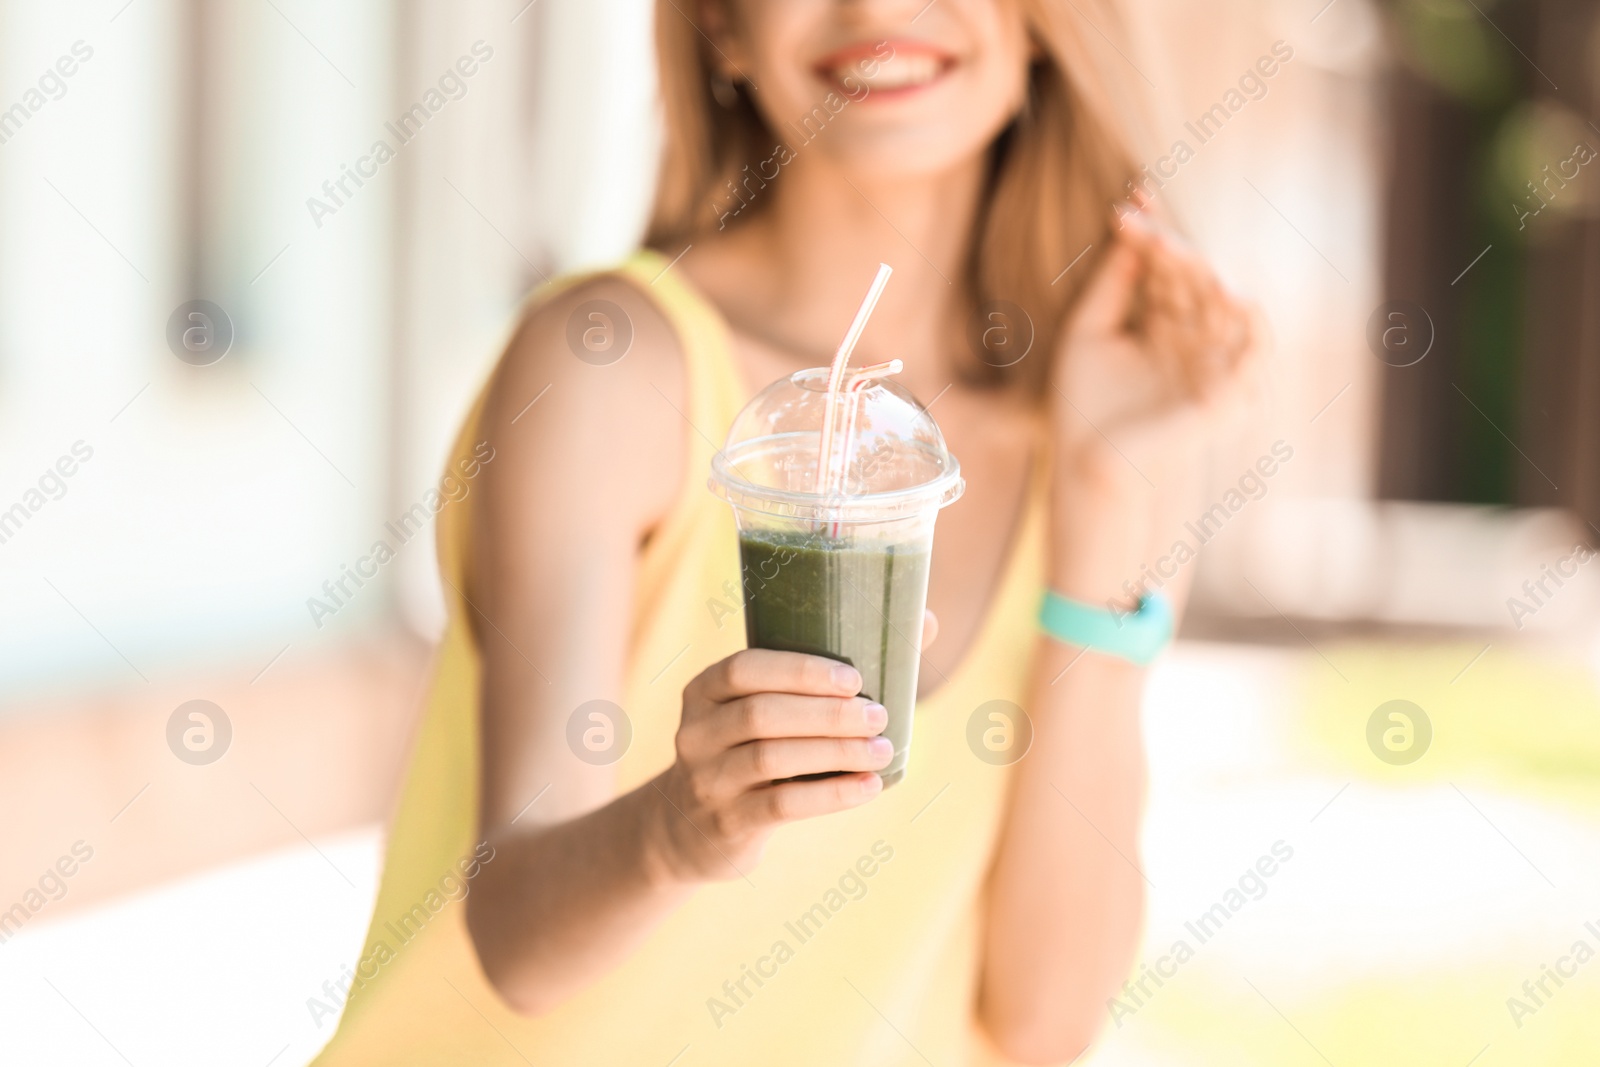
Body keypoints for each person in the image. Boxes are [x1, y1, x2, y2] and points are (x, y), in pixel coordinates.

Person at [312, 1, 1262, 1063]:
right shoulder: (608, 364)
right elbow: (520, 940)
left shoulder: (1109, 422)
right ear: (720, 25)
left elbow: (1043, 1022)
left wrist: (1100, 490)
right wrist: (682, 824)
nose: (874, 7)